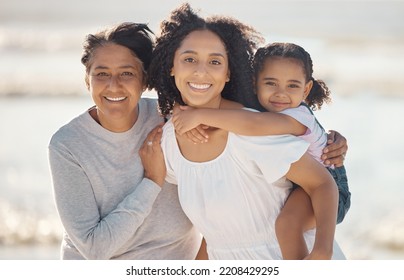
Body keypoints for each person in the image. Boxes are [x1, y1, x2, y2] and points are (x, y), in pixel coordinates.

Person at [148, 3, 342, 260]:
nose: (201, 71)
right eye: (189, 59)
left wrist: (322, 251)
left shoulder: (254, 130)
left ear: (228, 72)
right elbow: (218, 232)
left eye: (215, 61)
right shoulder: (169, 141)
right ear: (172, 65)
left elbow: (322, 183)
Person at [48, 22, 201, 259]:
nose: (113, 85)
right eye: (101, 74)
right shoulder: (67, 145)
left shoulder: (173, 121)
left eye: (127, 73)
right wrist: (152, 181)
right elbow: (94, 248)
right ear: (88, 80)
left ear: (145, 80)